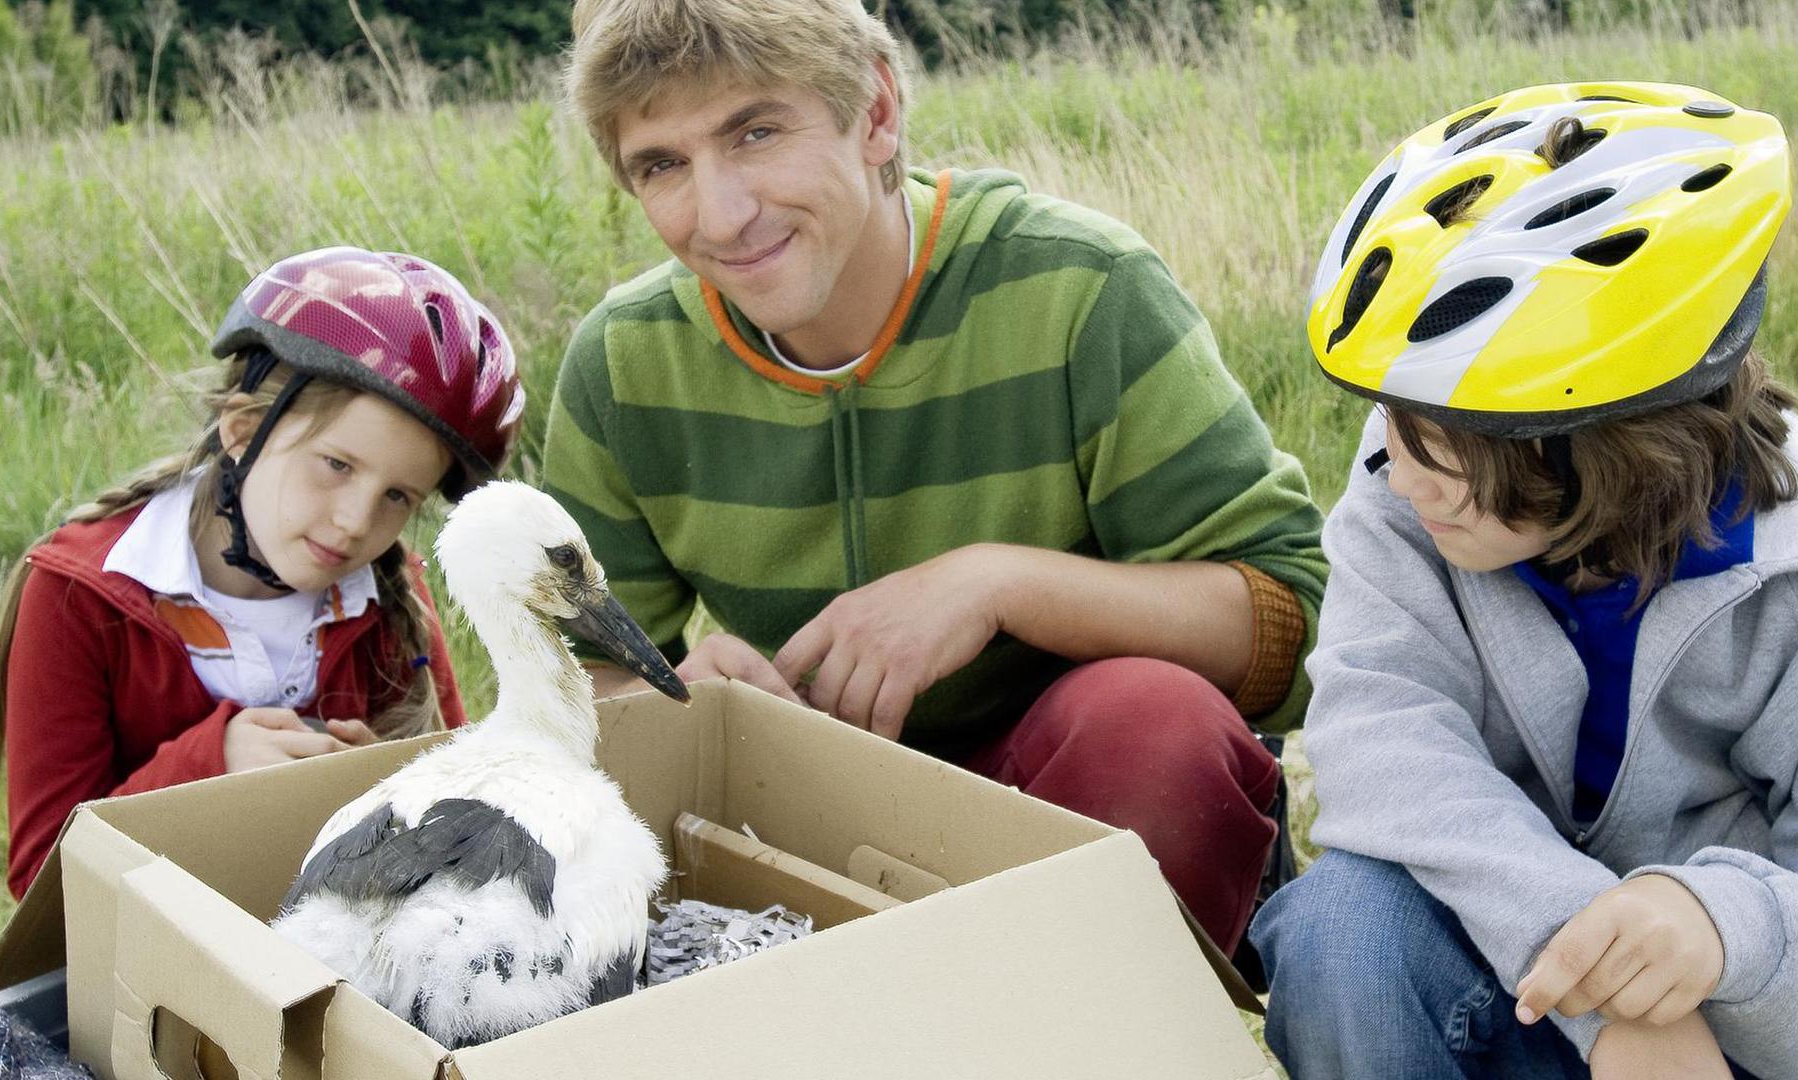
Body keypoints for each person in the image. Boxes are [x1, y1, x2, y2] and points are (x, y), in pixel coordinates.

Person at [546, 0, 1328, 958]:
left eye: (756, 132)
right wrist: (683, 704)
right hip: (806, 823)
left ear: (876, 113)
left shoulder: (1081, 289)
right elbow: (568, 684)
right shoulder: (622, 366)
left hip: (1067, 809)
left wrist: (997, 585)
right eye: (662, 165)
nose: (721, 215)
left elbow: (1293, 620)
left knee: (1154, 724)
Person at [1250, 82, 1798, 1079]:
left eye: (1448, 441)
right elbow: (1378, 740)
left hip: (1737, 1034)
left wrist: (1721, 927)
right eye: (1394, 418)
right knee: (1341, 927)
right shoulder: (1406, 487)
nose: (1401, 473)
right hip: (1512, 976)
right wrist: (1599, 989)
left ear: (1623, 434)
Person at [0, 247, 526, 899]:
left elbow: (454, 841)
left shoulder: (392, 597)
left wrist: (378, 792)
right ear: (242, 430)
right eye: (336, 465)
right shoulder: (78, 595)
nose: (354, 522)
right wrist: (210, 769)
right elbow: (43, 882)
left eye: (398, 496)